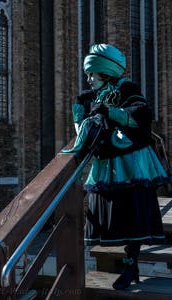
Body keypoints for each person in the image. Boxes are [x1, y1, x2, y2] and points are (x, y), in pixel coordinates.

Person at [62, 43, 170, 290]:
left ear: (104, 71)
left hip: (131, 164)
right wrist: (80, 116)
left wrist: (112, 112)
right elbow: (87, 135)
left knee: (132, 212)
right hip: (110, 162)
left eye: (91, 74)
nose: (88, 79)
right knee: (119, 214)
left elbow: (141, 115)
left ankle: (130, 265)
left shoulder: (126, 88)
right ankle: (128, 265)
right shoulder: (100, 93)